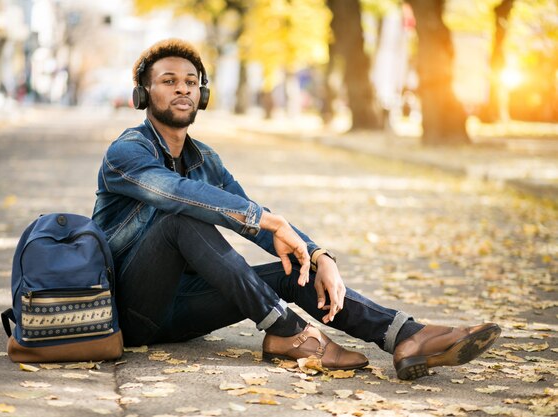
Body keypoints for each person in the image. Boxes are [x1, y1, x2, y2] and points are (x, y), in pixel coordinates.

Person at [92, 39, 500, 380]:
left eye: (191, 82)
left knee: (294, 270)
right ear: (144, 94)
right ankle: (288, 332)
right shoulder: (127, 151)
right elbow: (175, 193)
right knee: (178, 219)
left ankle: (405, 336)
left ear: (203, 94)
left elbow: (255, 219)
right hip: (130, 312)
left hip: (182, 312)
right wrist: (265, 219)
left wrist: (316, 253)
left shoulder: (205, 160)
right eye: (168, 81)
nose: (182, 89)